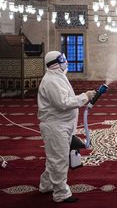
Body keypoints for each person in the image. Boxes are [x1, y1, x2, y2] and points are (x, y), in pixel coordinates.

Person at [37, 51, 96, 203]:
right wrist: (85, 96)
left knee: (54, 158)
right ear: (56, 62)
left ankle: (46, 185)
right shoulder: (51, 81)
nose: (66, 62)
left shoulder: (58, 77)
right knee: (59, 159)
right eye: (63, 59)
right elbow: (63, 103)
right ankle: (61, 193)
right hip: (55, 126)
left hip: (63, 125)